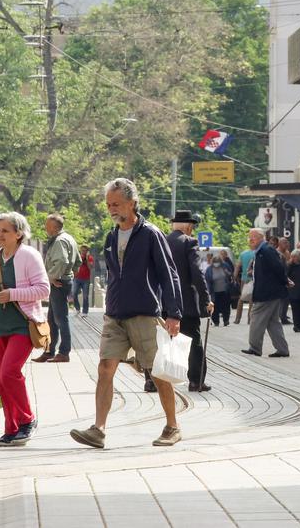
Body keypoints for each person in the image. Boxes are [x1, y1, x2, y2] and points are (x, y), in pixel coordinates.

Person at [71, 178, 183, 449]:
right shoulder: (111, 236)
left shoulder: (150, 234)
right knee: (105, 367)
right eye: (109, 204)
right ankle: (99, 429)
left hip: (144, 312)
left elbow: (169, 274)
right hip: (115, 313)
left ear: (132, 203)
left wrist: (174, 313)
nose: (111, 209)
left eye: (117, 204)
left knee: (157, 372)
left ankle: (172, 426)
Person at [0, 212, 51, 447]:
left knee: (9, 372)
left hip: (23, 325)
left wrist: (13, 294)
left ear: (18, 234)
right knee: (0, 379)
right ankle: (11, 428)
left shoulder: (29, 256)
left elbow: (43, 290)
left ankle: (27, 420)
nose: (0, 234)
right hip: (0, 328)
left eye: (5, 231)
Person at [165, 210, 213, 392]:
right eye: (192, 227)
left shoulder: (162, 241)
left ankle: (153, 380)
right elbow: (197, 274)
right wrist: (206, 299)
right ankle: (196, 380)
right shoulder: (188, 242)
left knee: (162, 341)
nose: (192, 231)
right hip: (184, 303)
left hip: (162, 301)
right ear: (188, 226)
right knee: (194, 342)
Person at [37, 214, 80, 364]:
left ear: (54, 227)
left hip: (58, 282)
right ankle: (49, 350)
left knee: (60, 318)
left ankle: (63, 352)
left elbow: (62, 260)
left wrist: (52, 276)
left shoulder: (60, 241)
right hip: (63, 280)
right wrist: (69, 274)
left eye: (47, 225)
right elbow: (78, 261)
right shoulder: (69, 238)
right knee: (52, 319)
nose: (45, 227)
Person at [241, 228, 290, 358]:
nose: (250, 240)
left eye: (254, 237)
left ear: (261, 237)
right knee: (273, 322)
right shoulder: (261, 251)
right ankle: (282, 349)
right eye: (249, 238)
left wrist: (285, 280)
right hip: (270, 292)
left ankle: (255, 347)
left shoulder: (266, 250)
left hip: (267, 292)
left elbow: (278, 268)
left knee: (256, 317)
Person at [234, 233, 258, 325]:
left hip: (244, 278)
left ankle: (237, 319)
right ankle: (249, 319)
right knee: (252, 299)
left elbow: (238, 266)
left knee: (241, 298)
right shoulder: (256, 253)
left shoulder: (243, 254)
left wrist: (235, 276)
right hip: (253, 279)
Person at [207, 254, 233, 327]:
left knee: (226, 306)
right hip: (214, 292)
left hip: (225, 290)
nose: (216, 263)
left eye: (218, 262)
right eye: (215, 262)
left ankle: (226, 320)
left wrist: (227, 273)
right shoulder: (209, 269)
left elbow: (230, 274)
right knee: (215, 307)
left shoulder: (225, 266)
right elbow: (207, 279)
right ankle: (216, 321)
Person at [73, 245, 95, 316]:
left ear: (87, 251)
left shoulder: (90, 258)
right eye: (82, 250)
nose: (83, 252)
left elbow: (90, 267)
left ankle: (85, 312)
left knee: (85, 296)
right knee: (74, 293)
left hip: (86, 280)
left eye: (85, 250)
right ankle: (77, 309)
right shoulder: (78, 257)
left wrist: (87, 259)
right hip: (77, 278)